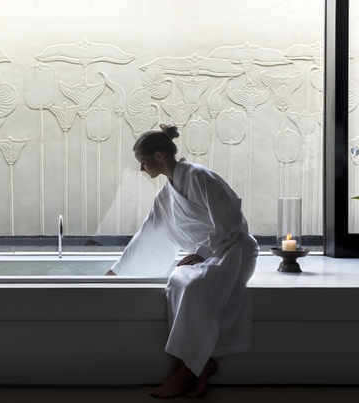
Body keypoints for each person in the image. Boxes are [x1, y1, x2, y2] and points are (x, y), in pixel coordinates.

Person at [106, 123, 258, 398]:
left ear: (159, 156)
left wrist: (202, 252)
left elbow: (231, 220)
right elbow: (150, 232)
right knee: (177, 280)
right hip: (208, 254)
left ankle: (187, 370)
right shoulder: (167, 194)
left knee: (192, 286)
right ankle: (199, 367)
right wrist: (120, 272)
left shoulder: (200, 176)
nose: (142, 169)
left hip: (233, 252)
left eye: (143, 162)